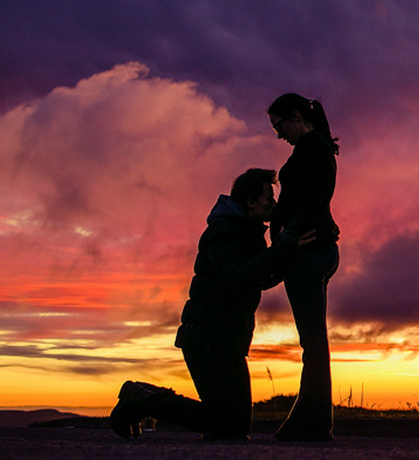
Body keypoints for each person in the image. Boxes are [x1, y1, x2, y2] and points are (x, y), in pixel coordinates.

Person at [109, 168, 306, 440]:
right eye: (268, 198)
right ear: (250, 201)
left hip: (230, 338)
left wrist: (287, 254)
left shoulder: (249, 231)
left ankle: (145, 394)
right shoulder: (224, 230)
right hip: (206, 337)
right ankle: (142, 400)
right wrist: (282, 250)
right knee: (224, 424)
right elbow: (235, 276)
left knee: (236, 427)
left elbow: (258, 278)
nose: (273, 204)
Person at [267, 93, 340, 441]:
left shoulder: (313, 149)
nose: (279, 134)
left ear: (296, 116)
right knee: (312, 340)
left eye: (279, 126)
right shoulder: (313, 148)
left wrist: (288, 240)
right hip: (313, 250)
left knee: (313, 341)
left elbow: (313, 201)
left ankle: (312, 422)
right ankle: (311, 420)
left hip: (309, 253)